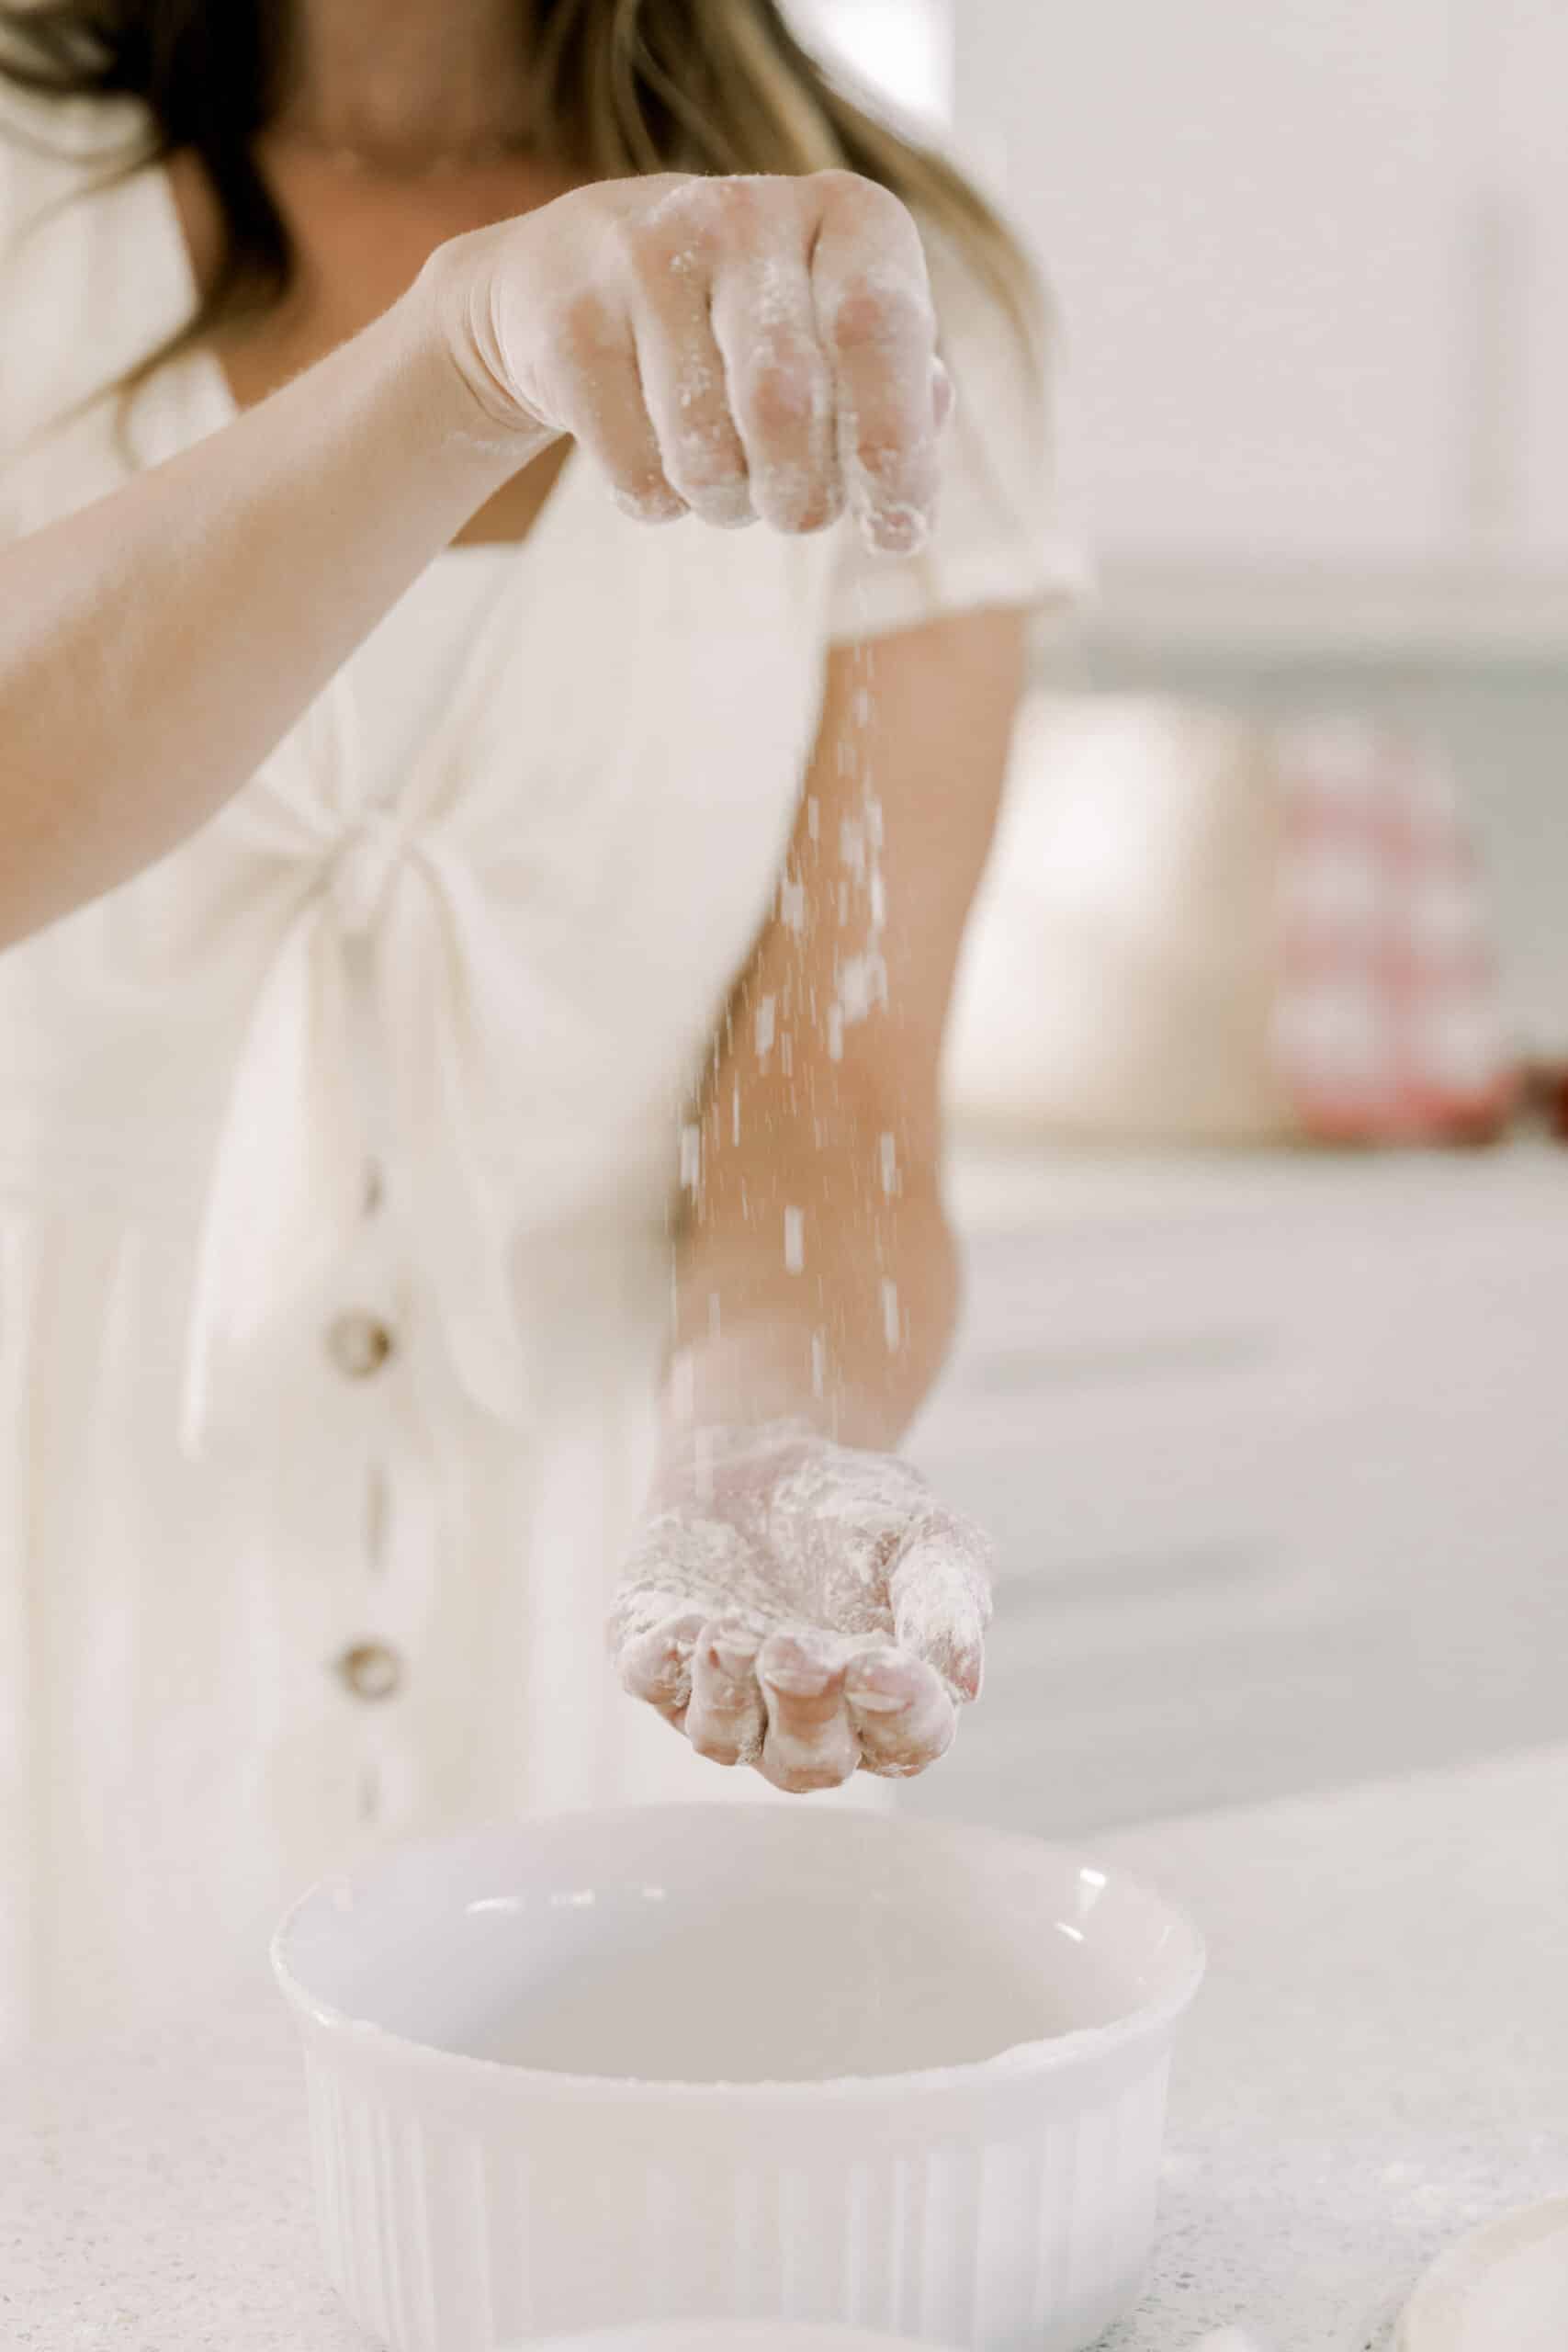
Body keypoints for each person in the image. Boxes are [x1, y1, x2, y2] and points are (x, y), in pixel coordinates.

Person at [0, 0, 1078, 2047]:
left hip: (574, 1587)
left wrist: (770, 1449)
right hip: (46, 1540)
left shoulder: (883, 296)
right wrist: (456, 362)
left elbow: (824, 1107)